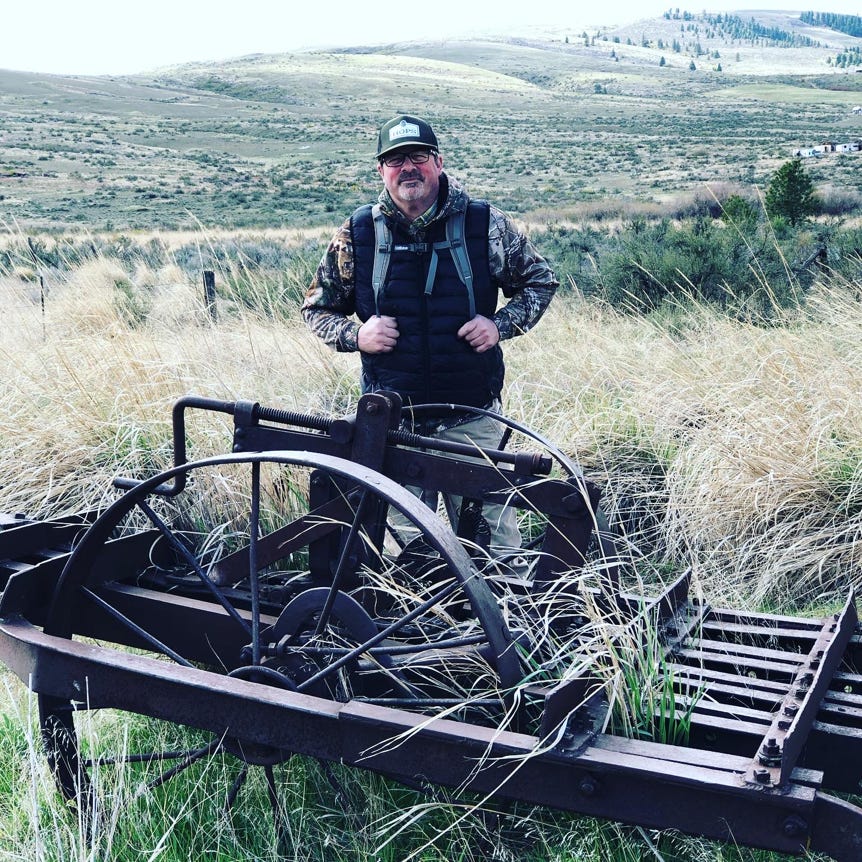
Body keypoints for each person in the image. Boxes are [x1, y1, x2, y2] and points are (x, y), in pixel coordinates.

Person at [302, 113, 558, 561]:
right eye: (395, 159)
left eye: (418, 156)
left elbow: (540, 280)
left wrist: (500, 324)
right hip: (393, 422)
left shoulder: (483, 223)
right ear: (381, 171)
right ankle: (415, 632)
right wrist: (356, 334)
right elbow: (317, 308)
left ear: (438, 161)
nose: (408, 168)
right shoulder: (359, 233)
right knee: (403, 554)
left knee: (494, 547)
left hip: (471, 416)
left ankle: (509, 626)